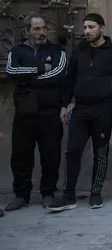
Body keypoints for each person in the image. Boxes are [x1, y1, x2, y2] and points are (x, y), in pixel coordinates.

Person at [47, 13, 112, 212]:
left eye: (91, 27)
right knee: (73, 150)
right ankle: (68, 196)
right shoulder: (79, 50)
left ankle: (96, 193)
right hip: (81, 108)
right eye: (84, 27)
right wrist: (65, 105)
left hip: (104, 108)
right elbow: (70, 79)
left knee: (100, 152)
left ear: (102, 28)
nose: (87, 31)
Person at [5, 14, 67, 211]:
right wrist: (40, 68)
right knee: (20, 156)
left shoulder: (57, 51)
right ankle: (21, 195)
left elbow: (58, 74)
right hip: (24, 113)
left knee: (51, 155)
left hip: (49, 113)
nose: (41, 33)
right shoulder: (17, 51)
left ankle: (48, 193)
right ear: (27, 31)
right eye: (36, 29)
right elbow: (11, 72)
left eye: (43, 29)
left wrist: (27, 77)